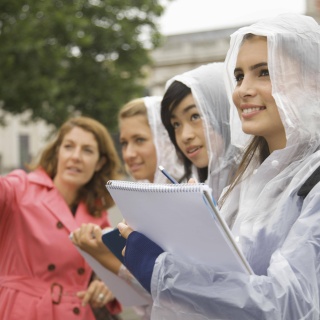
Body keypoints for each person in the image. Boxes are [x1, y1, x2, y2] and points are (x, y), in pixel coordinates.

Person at [117, 13, 320, 319]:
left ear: (313, 79)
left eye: (264, 72)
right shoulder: (247, 183)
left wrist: (163, 269)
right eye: (239, 76)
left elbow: (288, 303)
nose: (242, 90)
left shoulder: (313, 182)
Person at [0, 116, 124, 320]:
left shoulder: (97, 214)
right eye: (68, 146)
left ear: (100, 162)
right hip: (20, 311)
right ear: (57, 151)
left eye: (87, 150)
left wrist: (104, 286)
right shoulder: (20, 188)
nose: (76, 157)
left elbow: (113, 274)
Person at [160, 62, 239, 200]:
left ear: (222, 113)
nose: (185, 136)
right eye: (176, 124)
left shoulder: (258, 184)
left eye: (195, 116)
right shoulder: (189, 188)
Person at [118, 96, 184, 184]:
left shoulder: (194, 191)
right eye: (124, 143)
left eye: (139, 140)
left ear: (166, 140)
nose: (128, 154)